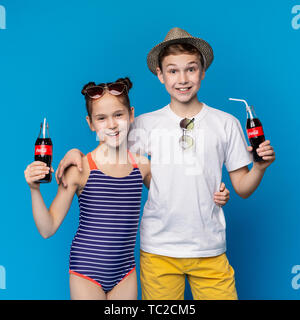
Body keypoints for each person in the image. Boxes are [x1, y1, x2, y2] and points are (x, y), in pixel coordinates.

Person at [55, 27, 270, 300]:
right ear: (160, 75)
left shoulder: (226, 123)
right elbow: (106, 151)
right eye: (172, 71)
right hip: (158, 250)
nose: (182, 79)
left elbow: (242, 186)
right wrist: (74, 152)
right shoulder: (145, 124)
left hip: (209, 248)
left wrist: (260, 168)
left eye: (191, 69)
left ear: (202, 71)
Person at [24, 78, 153, 300]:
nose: (112, 124)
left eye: (118, 115)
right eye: (101, 118)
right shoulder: (80, 168)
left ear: (131, 114)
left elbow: (173, 199)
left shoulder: (142, 166)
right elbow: (48, 228)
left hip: (125, 272)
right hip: (86, 271)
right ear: (90, 123)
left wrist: (215, 192)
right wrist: (34, 189)